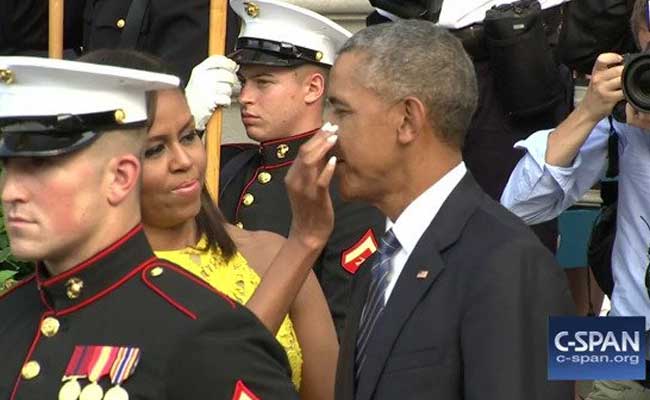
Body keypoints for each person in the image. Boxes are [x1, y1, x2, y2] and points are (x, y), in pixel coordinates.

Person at [300, 20, 574, 399]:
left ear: (408, 120)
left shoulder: (507, 263)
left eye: (341, 112)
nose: (325, 132)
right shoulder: (377, 268)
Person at [0, 55, 298, 399]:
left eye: (39, 170)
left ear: (120, 177)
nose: (11, 193)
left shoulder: (201, 331)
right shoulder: (11, 315)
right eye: (11, 168)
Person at [107, 49, 338, 399]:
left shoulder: (268, 251)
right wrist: (302, 245)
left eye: (188, 136)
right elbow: (213, 377)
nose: (184, 161)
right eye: (155, 150)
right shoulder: (100, 286)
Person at [186, 0, 385, 339]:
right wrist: (190, 126)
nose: (245, 96)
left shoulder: (343, 183)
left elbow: (344, 321)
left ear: (313, 88)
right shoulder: (225, 165)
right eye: (244, 82)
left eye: (263, 83)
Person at [501, 0, 650, 397]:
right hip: (629, 348)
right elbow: (519, 207)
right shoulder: (627, 110)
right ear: (640, 36)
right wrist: (589, 112)